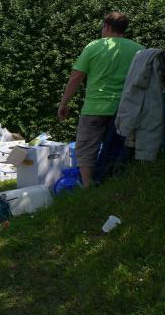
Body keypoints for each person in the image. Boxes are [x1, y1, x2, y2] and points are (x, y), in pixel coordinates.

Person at [58, 11, 144, 187]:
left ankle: (88, 186)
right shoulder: (139, 50)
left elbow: (76, 78)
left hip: (95, 109)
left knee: (86, 147)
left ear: (107, 26)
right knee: (123, 148)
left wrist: (64, 103)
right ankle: (120, 183)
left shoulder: (93, 47)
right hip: (125, 109)